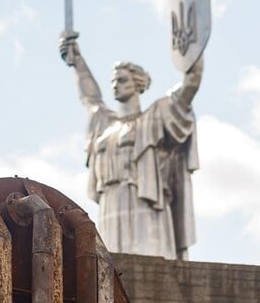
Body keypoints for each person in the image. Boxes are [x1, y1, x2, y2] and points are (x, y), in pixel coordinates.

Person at [59, 35, 202, 260]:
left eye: (122, 80)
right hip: (111, 204)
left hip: (146, 204)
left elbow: (190, 85)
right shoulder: (104, 122)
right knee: (112, 267)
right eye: (114, 81)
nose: (116, 85)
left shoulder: (156, 117)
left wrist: (193, 50)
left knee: (151, 263)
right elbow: (90, 97)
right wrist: (77, 61)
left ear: (138, 84)